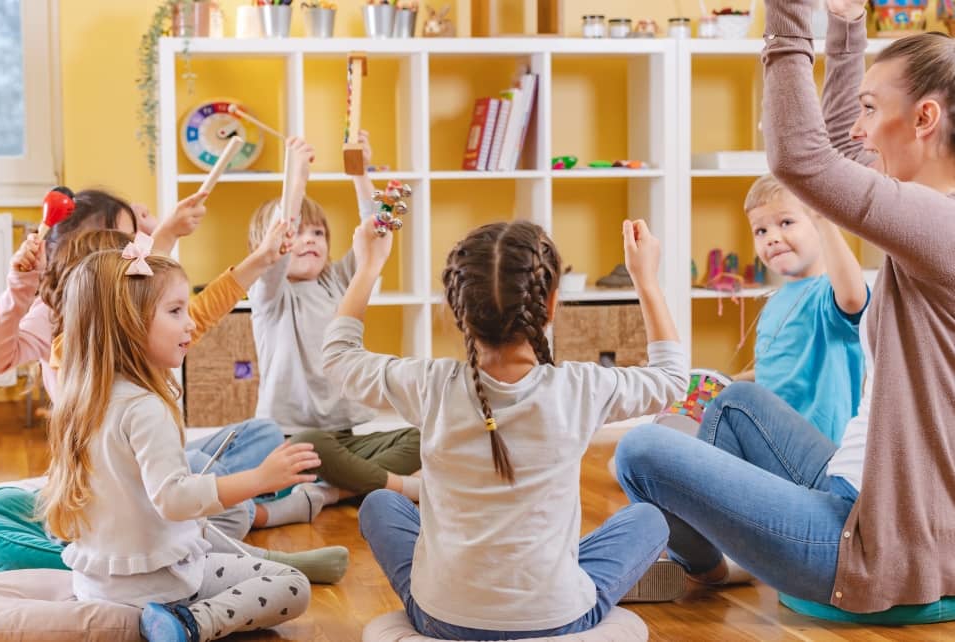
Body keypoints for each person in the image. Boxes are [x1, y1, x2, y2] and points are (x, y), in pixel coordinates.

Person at [615, 0, 955, 612]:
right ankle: (724, 555)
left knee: (640, 451)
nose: (858, 127)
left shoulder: (939, 224)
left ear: (925, 118)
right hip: (857, 488)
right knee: (738, 403)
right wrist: (847, 28)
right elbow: (835, 155)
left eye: (871, 110)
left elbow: (803, 159)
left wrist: (790, 15)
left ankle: (711, 565)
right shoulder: (925, 215)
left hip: (870, 542)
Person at [323, 216, 689, 638]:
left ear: (456, 308)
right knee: (649, 519)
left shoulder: (428, 385)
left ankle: (547, 583)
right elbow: (671, 377)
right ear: (551, 306)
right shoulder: (582, 387)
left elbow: (338, 356)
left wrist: (368, 265)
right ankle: (593, 584)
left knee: (380, 506)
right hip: (557, 615)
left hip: (442, 619)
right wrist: (645, 279)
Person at [40, 246, 314, 640]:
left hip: (96, 586)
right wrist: (260, 479)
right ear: (128, 323)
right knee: (291, 585)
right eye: (175, 311)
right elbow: (174, 498)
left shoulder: (79, 400)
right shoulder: (144, 407)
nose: (190, 324)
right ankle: (188, 624)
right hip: (160, 587)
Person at [247, 135, 421, 526]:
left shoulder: (337, 281)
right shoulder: (269, 295)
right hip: (293, 439)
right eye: (299, 234)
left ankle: (328, 493)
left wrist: (360, 174)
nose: (309, 240)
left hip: (344, 435)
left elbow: (374, 238)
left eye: (319, 233)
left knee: (423, 438)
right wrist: (295, 183)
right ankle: (402, 487)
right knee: (315, 444)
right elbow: (278, 242)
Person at [738, 173, 868, 444]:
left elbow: (854, 299)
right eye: (760, 231)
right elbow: (779, 372)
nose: (771, 238)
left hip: (820, 449)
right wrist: (728, 382)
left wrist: (824, 220)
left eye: (786, 222)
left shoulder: (827, 293)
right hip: (773, 440)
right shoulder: (775, 301)